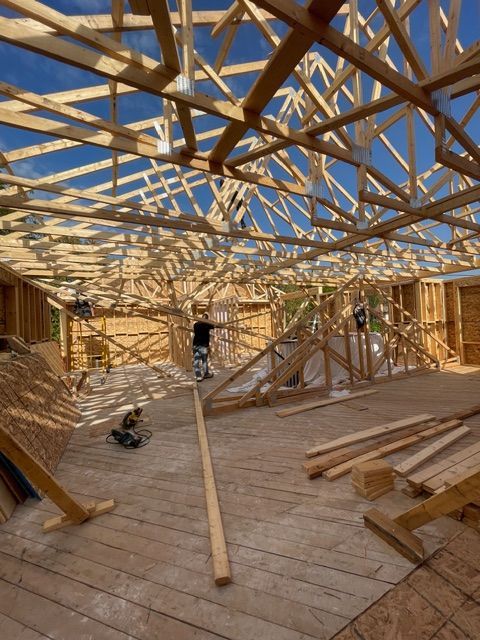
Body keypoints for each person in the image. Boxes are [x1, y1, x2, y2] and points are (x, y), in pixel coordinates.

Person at [192, 313, 216, 382]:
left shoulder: (195, 324)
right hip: (203, 346)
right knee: (204, 361)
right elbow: (215, 326)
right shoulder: (207, 325)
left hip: (195, 346)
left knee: (196, 362)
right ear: (207, 319)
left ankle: (198, 377)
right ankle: (206, 374)